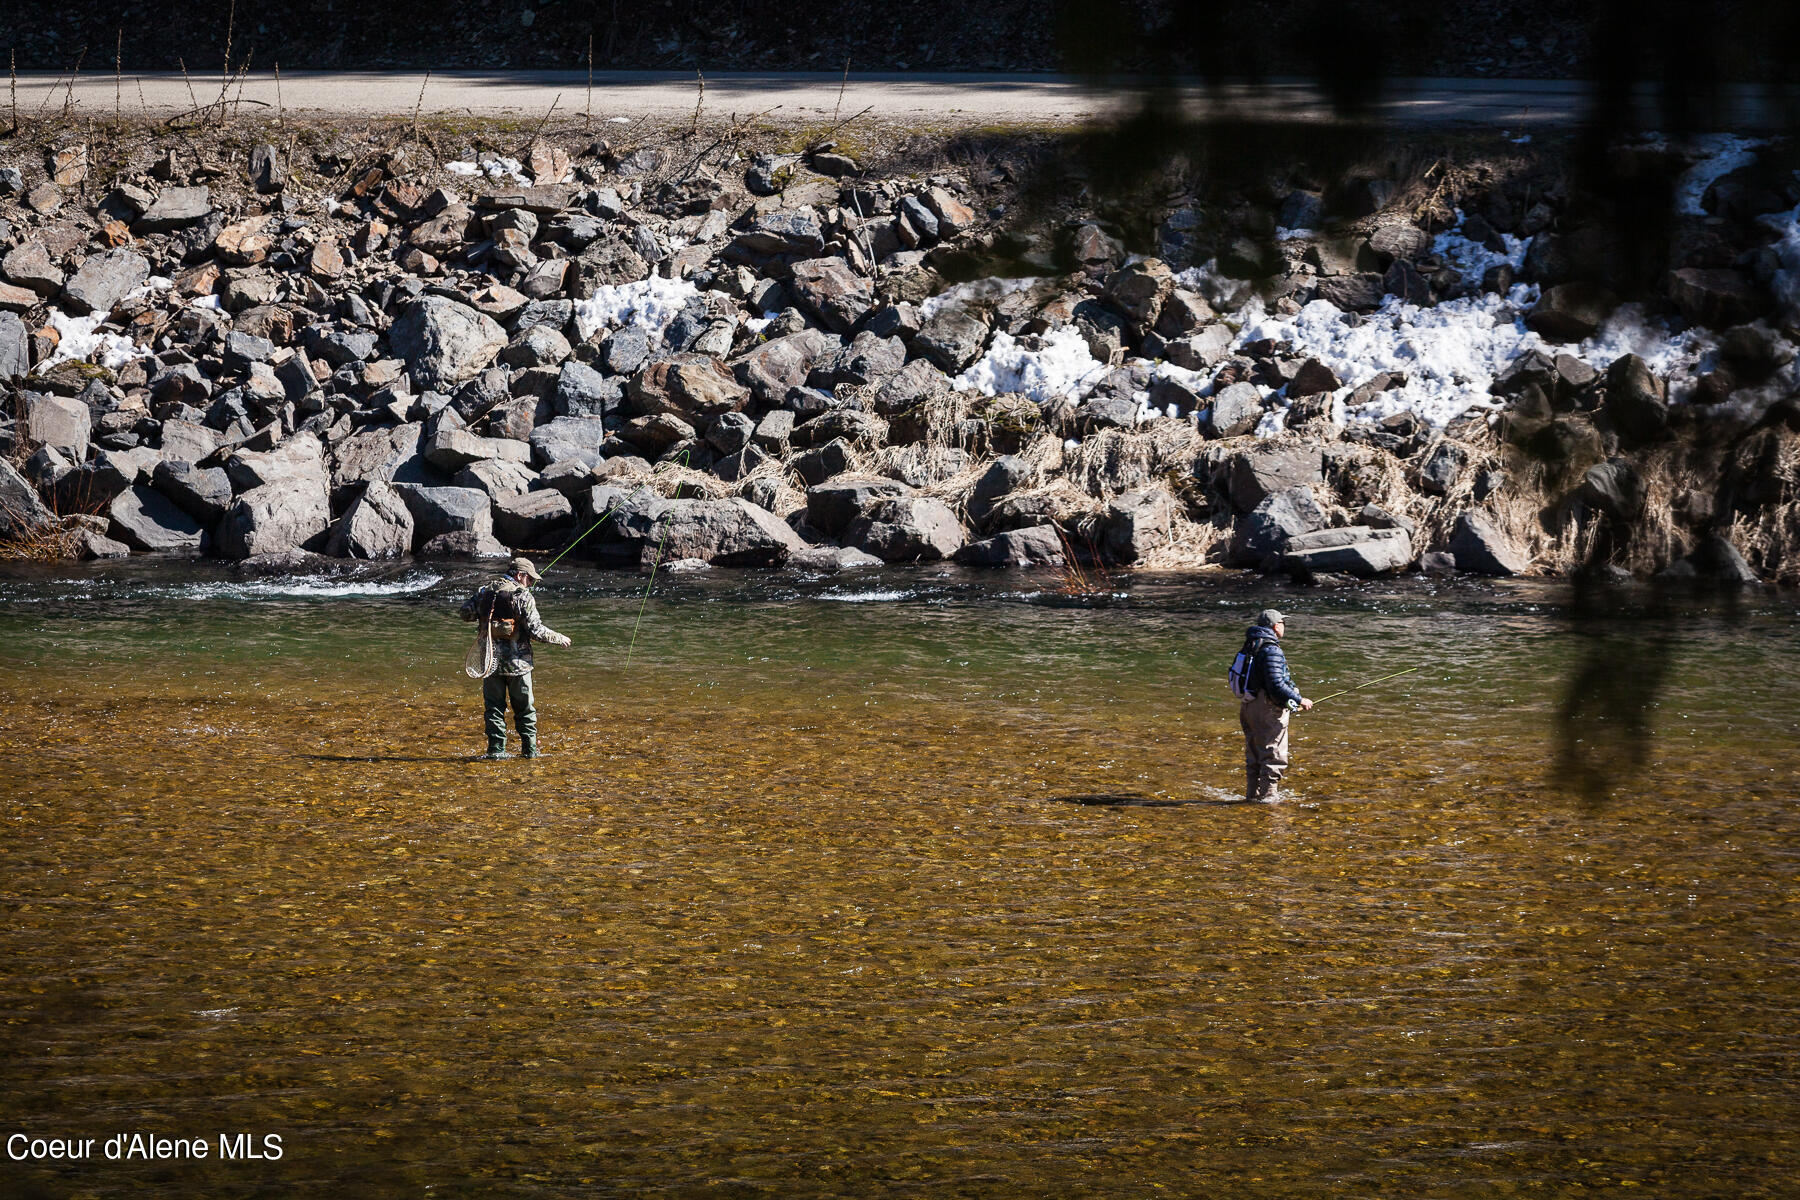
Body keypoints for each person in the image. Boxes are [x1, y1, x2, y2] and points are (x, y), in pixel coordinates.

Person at [460, 557, 572, 760]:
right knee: (525, 710)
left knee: (493, 709)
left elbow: (465, 614)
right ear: (520, 575)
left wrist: (486, 614)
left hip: (490, 662)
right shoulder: (523, 596)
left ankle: (495, 752)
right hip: (518, 665)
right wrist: (559, 638)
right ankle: (530, 753)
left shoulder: (485, 591)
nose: (531, 584)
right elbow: (536, 631)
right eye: (530, 580)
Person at [1230, 608, 1312, 802]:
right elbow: (1276, 684)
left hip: (1248, 706)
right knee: (1273, 754)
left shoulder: (1250, 646)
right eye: (1283, 623)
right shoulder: (1271, 649)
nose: (1284, 626)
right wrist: (1300, 700)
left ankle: (1252, 796)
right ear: (1276, 626)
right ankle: (1268, 799)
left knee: (1254, 753)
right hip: (1267, 708)